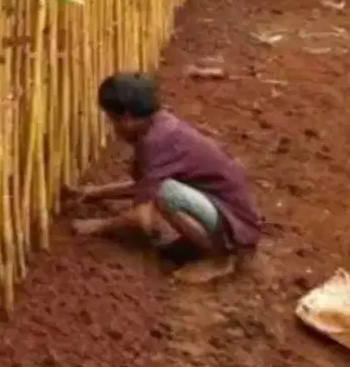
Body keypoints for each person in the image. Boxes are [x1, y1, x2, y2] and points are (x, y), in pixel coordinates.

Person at [67, 72, 262, 283]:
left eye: (112, 120)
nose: (113, 128)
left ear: (127, 118)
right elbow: (144, 186)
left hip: (235, 225)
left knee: (166, 194)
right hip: (224, 211)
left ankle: (219, 258)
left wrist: (97, 225)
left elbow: (142, 220)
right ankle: (207, 241)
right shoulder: (159, 125)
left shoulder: (154, 143)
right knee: (164, 191)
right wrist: (92, 193)